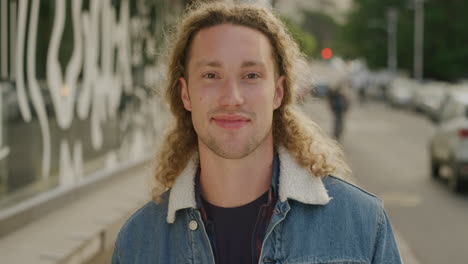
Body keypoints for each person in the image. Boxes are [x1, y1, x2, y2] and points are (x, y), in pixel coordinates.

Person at [112, 2, 402, 264]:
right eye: (211, 75)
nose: (232, 97)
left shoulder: (363, 223)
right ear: (185, 94)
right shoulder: (137, 242)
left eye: (251, 75)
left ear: (277, 93)